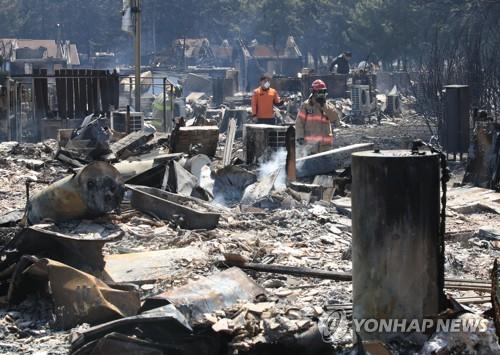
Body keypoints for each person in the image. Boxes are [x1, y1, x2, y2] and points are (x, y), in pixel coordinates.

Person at [295, 79, 340, 155]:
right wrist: (300, 137)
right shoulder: (306, 106)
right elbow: (299, 122)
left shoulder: (328, 106)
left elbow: (336, 120)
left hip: (325, 147)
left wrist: (324, 106)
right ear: (314, 92)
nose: (321, 94)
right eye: (319, 92)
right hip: (311, 147)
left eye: (323, 92)